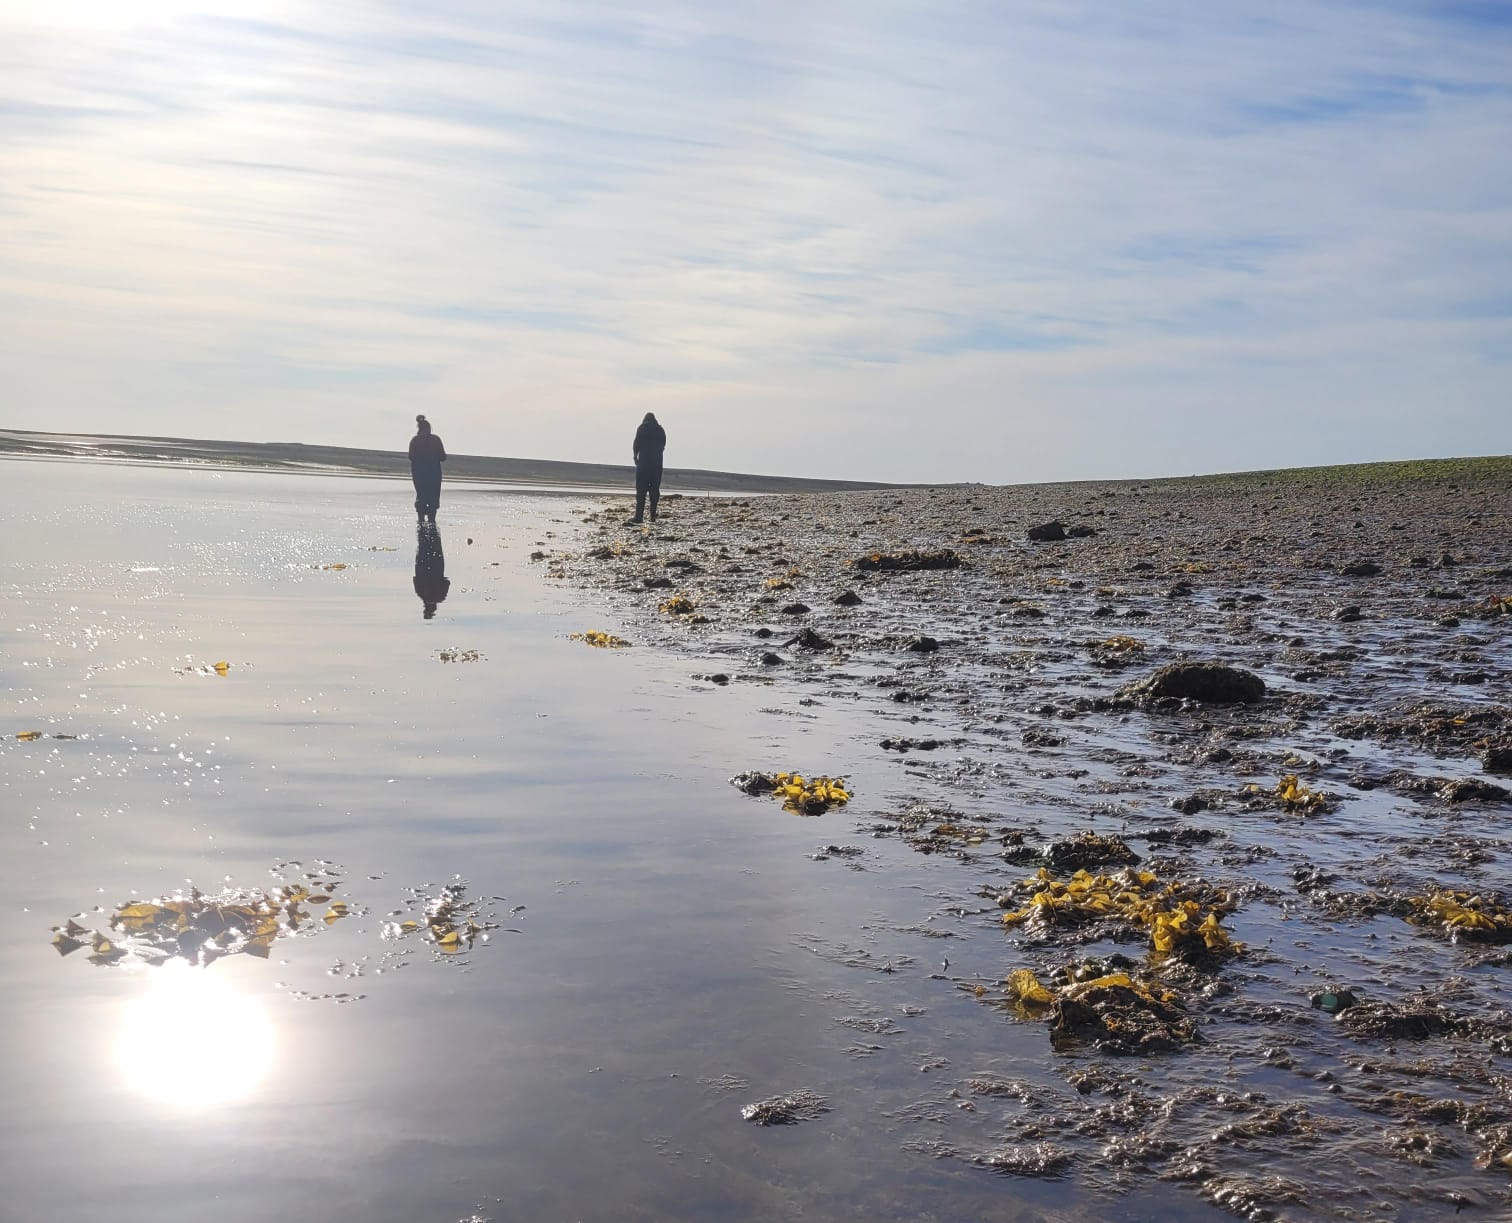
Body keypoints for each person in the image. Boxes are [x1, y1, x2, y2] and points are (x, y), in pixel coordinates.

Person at [628, 412, 666, 524]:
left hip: (644, 463)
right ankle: (652, 516)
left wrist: (635, 456)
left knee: (641, 490)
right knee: (654, 490)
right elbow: (663, 447)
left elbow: (636, 444)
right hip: (657, 464)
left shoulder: (642, 428)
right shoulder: (660, 430)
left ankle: (639, 516)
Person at [408, 415, 446, 522]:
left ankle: (421, 521)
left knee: (421, 496)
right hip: (434, 474)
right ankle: (431, 521)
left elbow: (411, 456)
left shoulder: (415, 440)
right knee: (433, 498)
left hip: (419, 474)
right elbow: (443, 457)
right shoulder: (435, 439)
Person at [413, 523, 449, 619]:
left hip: (432, 565)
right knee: (426, 533)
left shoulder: (439, 596)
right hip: (428, 565)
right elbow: (415, 579)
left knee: (427, 533)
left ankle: (425, 517)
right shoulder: (421, 593)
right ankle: (428, 518)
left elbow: (447, 582)